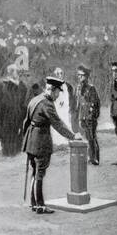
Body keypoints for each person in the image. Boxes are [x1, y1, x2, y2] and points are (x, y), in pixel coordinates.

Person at [22, 72, 78, 215]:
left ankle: (33, 203)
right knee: (39, 173)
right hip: (41, 143)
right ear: (52, 89)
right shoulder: (47, 103)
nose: (58, 96)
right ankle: (40, 205)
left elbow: (26, 122)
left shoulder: (35, 100)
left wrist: (26, 140)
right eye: (58, 92)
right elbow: (57, 124)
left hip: (31, 141)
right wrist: (72, 136)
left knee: (35, 172)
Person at [76, 65, 101, 166]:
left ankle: (95, 158)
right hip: (83, 116)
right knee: (87, 137)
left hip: (90, 117)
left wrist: (92, 115)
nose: (79, 77)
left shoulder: (91, 88)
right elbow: (78, 103)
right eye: (78, 75)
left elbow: (95, 103)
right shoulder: (78, 88)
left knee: (92, 137)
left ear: (86, 76)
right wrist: (80, 117)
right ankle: (91, 157)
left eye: (81, 76)